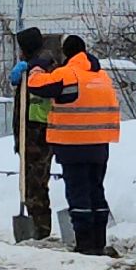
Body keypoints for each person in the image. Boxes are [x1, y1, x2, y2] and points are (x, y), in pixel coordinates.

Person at [28, 35, 121, 256]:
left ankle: (85, 243)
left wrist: (36, 68)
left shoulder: (67, 74)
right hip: (100, 144)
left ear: (66, 53)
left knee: (78, 193)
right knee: (96, 190)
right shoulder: (101, 76)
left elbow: (36, 86)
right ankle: (99, 241)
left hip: (74, 144)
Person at [8, 26, 56, 239]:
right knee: (32, 185)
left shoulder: (41, 67)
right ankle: (38, 227)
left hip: (37, 136)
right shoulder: (32, 66)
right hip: (30, 135)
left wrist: (31, 68)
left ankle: (41, 230)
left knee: (36, 186)